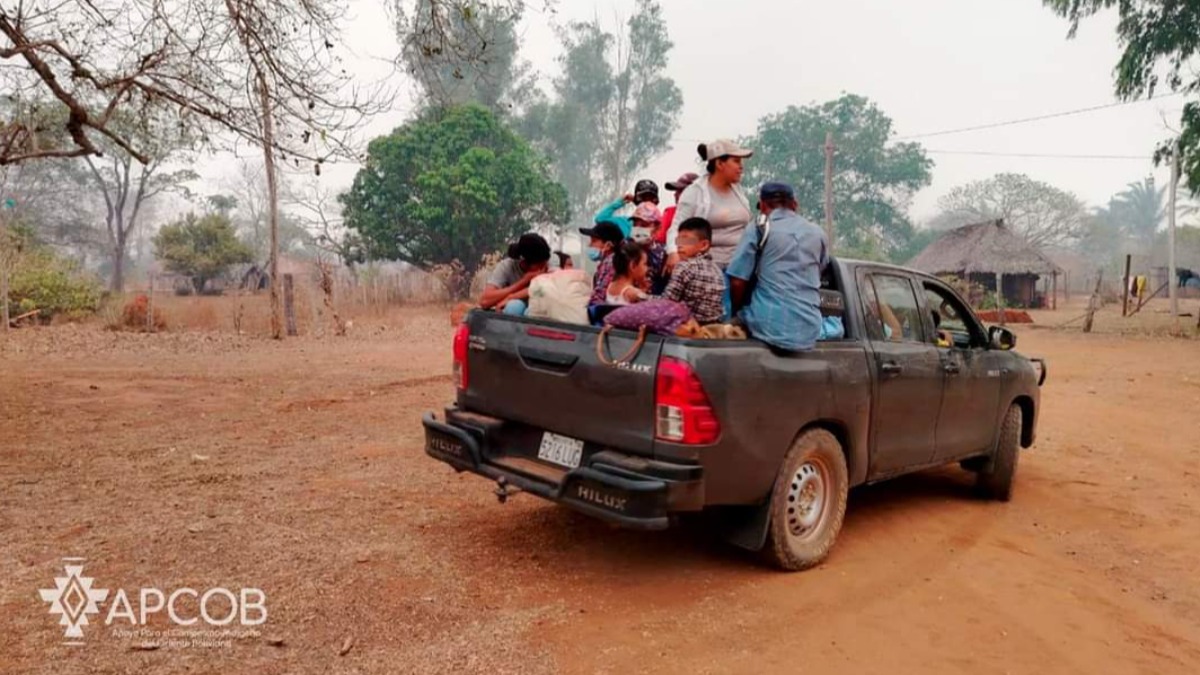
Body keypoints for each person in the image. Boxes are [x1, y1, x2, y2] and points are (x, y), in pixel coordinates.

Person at [727, 182, 829, 352]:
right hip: (810, 330)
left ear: (763, 205)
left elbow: (737, 281)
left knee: (721, 330)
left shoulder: (758, 228)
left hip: (766, 326)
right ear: (795, 204)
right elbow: (820, 269)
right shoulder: (818, 233)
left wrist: (738, 311)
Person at [665, 140, 754, 272]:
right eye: (736, 161)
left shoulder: (738, 190)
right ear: (719, 164)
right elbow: (677, 228)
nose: (741, 167)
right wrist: (674, 253)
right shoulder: (695, 192)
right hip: (710, 269)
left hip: (742, 266)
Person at [662, 217, 725, 325]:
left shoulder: (684, 267)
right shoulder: (717, 271)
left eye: (686, 240)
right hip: (711, 328)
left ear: (704, 245)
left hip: (686, 327)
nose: (679, 245)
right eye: (678, 240)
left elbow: (666, 302)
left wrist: (640, 296)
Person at [479, 233, 552, 316]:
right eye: (540, 265)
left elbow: (543, 288)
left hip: (538, 314)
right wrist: (523, 281)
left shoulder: (549, 267)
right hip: (513, 317)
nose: (544, 267)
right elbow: (484, 301)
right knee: (514, 307)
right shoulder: (507, 266)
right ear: (524, 263)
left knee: (531, 312)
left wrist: (511, 297)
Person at [593, 179, 661, 239]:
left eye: (650, 199)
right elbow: (600, 219)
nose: (646, 203)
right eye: (643, 199)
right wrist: (620, 202)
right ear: (637, 200)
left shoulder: (662, 223)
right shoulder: (626, 222)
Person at [579, 221, 625, 306]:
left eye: (594, 241)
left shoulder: (611, 262)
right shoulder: (612, 261)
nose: (590, 245)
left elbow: (599, 296)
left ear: (608, 245)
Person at [630, 202, 669, 295]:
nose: (638, 228)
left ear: (657, 228)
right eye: (635, 224)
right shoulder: (625, 250)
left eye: (644, 225)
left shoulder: (664, 253)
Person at [658, 172, 699, 246]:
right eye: (676, 191)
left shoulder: (709, 214)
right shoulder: (670, 212)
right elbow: (662, 240)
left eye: (680, 191)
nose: (675, 194)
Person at [606, 241, 651, 306]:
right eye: (645, 264)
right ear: (632, 266)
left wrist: (643, 289)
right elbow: (657, 306)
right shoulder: (633, 293)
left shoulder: (611, 285)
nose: (647, 268)